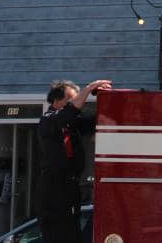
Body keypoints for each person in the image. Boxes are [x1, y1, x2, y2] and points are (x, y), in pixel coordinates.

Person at [35, 79, 111, 243]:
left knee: (72, 234)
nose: (77, 104)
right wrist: (89, 88)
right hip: (53, 188)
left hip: (70, 186)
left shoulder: (72, 123)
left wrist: (105, 98)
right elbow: (67, 113)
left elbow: (93, 121)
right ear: (56, 101)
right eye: (70, 99)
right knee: (57, 235)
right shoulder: (48, 120)